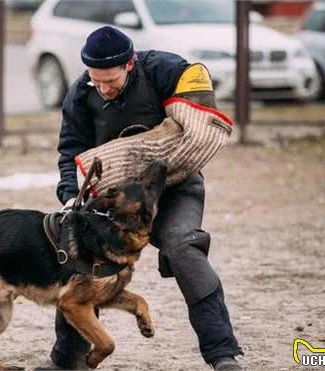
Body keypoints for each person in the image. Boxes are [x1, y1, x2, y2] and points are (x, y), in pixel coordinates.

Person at [47, 26, 244, 371]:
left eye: (111, 81)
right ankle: (66, 363)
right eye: (97, 81)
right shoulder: (80, 94)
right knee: (82, 264)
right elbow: (70, 153)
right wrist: (68, 195)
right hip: (116, 201)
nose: (104, 89)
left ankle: (223, 355)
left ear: (129, 64)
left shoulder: (162, 70)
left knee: (184, 247)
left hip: (175, 188)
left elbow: (198, 113)